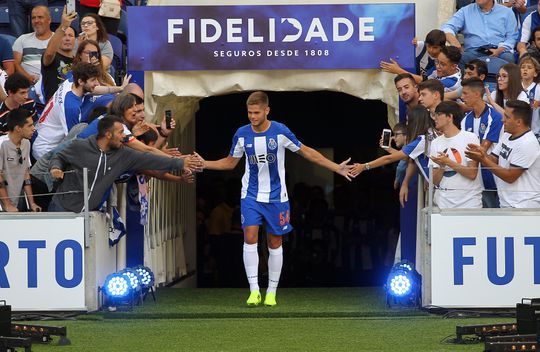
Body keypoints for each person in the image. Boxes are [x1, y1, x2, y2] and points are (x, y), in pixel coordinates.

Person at [196, 91, 355, 307]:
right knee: (249, 237)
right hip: (250, 195)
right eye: (249, 113)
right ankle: (254, 291)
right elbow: (230, 163)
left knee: (274, 242)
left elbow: (307, 152)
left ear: (266, 111)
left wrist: (336, 167)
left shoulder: (280, 131)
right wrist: (204, 163)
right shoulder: (241, 134)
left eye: (256, 112)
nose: (252, 117)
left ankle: (271, 291)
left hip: (276, 197)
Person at [48, 115, 199, 212]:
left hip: (87, 215)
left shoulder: (124, 155)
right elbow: (59, 156)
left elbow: (151, 159)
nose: (124, 137)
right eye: (121, 132)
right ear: (108, 134)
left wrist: (180, 163)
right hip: (60, 208)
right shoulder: (80, 146)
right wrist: (55, 168)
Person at [466, 100, 540, 208]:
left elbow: (510, 176)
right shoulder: (507, 135)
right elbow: (493, 159)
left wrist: (483, 159)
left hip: (524, 206)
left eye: (507, 117)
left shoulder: (527, 143)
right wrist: (481, 153)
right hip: (508, 203)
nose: (502, 119)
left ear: (519, 122)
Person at [351, 106, 436, 195]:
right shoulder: (430, 133)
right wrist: (389, 149)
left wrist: (364, 166)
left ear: (416, 122)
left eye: (408, 121)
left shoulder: (421, 141)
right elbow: (408, 158)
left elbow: (389, 159)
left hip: (443, 189)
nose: (407, 125)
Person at [33, 62, 101, 159]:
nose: (97, 83)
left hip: (42, 134)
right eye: (93, 80)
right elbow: (74, 141)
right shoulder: (71, 107)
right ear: (81, 81)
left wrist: (117, 89)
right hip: (46, 149)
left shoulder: (70, 81)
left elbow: (94, 89)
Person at [429, 101, 483, 209]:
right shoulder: (435, 142)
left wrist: (448, 162)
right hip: (443, 203)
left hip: (469, 203)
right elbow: (434, 181)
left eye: (438, 114)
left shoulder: (470, 138)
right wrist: (442, 167)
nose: (434, 118)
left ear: (450, 117)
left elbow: (472, 174)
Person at [441, 0, 518, 65]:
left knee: (509, 59)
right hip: (474, 51)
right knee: (461, 58)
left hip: (500, 51)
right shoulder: (465, 11)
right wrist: (454, 41)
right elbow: (447, 27)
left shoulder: (507, 12)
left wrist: (500, 49)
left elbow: (512, 37)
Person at [0, 108, 41, 212]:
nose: (34, 128)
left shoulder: (26, 143)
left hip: (16, 200)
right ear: (18, 128)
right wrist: (7, 204)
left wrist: (32, 203)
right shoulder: (1, 144)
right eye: (30, 125)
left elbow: (25, 173)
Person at [380, 29, 446, 84]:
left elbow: (422, 80)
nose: (431, 50)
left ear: (442, 47)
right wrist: (409, 42)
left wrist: (398, 70)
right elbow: (403, 47)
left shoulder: (444, 60)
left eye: (435, 47)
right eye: (428, 46)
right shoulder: (420, 46)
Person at [40, 6, 77, 103]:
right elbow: (49, 54)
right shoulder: (51, 58)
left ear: (75, 40)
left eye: (71, 36)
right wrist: (63, 26)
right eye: (64, 35)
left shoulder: (79, 61)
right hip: (54, 107)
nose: (67, 38)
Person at [12, 5, 53, 86]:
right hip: (27, 85)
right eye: (33, 18)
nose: (36, 21)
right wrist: (27, 77)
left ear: (49, 20)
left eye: (40, 17)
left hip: (50, 84)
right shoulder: (22, 39)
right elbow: (15, 63)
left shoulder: (56, 40)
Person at [519, 55, 540, 140]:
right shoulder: (515, 87)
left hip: (534, 133)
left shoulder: (538, 88)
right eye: (523, 67)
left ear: (535, 73)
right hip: (516, 133)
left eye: (529, 67)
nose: (525, 69)